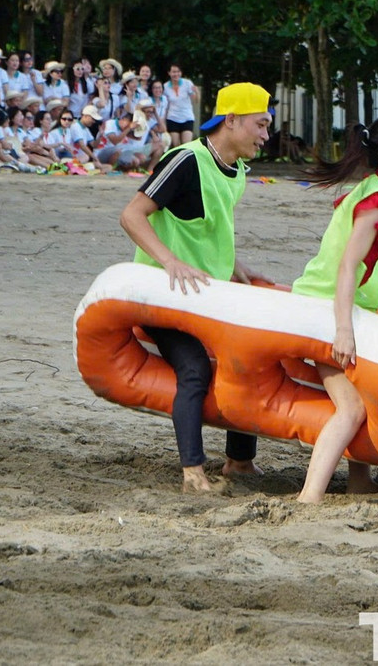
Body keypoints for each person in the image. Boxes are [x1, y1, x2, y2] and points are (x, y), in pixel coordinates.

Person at [119, 82, 275, 493]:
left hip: (208, 298)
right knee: (195, 370)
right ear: (232, 120)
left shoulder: (238, 168)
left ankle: (239, 462)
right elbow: (132, 216)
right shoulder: (185, 160)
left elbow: (206, 225)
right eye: (260, 125)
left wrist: (233, 263)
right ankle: (192, 472)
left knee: (246, 359)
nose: (265, 135)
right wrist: (170, 262)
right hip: (161, 300)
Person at [290, 110, 378, 504]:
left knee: (365, 391)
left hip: (330, 304)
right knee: (350, 409)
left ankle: (359, 481)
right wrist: (343, 328)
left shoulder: (375, 189)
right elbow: (350, 263)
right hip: (323, 309)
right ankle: (310, 495)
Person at [164, 64, 200, 147]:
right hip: (172, 117)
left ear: (181, 73)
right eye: (173, 72)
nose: (176, 74)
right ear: (169, 73)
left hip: (187, 117)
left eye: (178, 72)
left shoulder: (187, 83)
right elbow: (165, 105)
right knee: (175, 145)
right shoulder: (165, 86)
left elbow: (196, 101)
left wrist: (197, 92)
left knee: (186, 144)